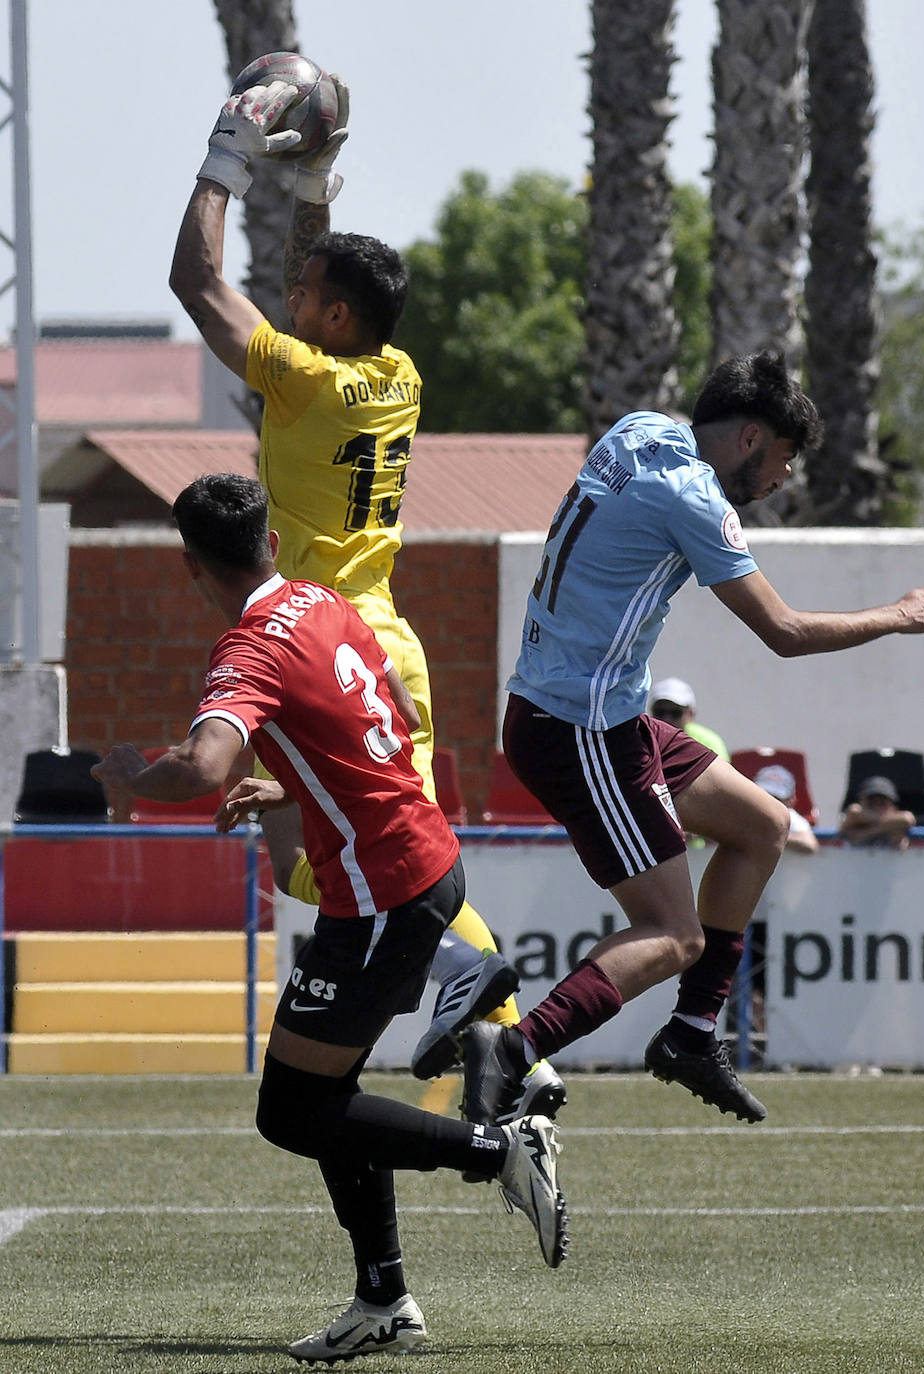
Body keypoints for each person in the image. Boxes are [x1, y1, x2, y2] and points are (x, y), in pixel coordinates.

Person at [91, 474, 568, 1361]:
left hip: (385, 893)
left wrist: (130, 775)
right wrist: (298, 780)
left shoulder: (245, 652)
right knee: (319, 1101)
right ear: (271, 544)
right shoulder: (320, 598)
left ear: (191, 564)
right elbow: (388, 705)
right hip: (414, 863)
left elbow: (200, 764)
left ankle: (495, 1149)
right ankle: (383, 1299)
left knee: (291, 1111)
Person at [168, 75, 564, 1122]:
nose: (286, 298)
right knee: (325, 866)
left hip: (323, 647)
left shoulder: (310, 380)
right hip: (378, 642)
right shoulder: (393, 371)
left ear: (331, 319)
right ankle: (506, 1039)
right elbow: (317, 283)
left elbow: (194, 280)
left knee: (385, 878)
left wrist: (228, 153)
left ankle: (499, 1025)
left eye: (302, 296)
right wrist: (309, 185)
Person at [459, 351, 924, 1127]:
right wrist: (898, 617)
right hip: (580, 728)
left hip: (599, 712)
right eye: (781, 459)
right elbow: (785, 632)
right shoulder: (694, 497)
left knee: (762, 825)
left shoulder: (640, 431)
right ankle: (512, 1050)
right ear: (745, 436)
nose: (782, 479)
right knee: (672, 934)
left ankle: (691, 1036)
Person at [648, 676, 730, 761]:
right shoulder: (643, 740)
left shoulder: (708, 742)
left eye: (675, 713)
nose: (667, 719)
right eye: (660, 712)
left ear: (690, 714)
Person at [753, 764, 819, 854]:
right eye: (764, 795)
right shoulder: (746, 812)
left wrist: (771, 836)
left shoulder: (791, 818)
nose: (769, 802)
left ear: (790, 800)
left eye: (776, 798)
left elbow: (810, 844)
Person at [839, 774, 916, 850]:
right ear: (860, 803)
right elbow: (854, 812)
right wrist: (890, 825)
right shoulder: (851, 823)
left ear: (894, 808)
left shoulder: (897, 830)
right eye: (871, 803)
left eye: (882, 803)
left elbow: (906, 819)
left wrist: (865, 834)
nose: (876, 807)